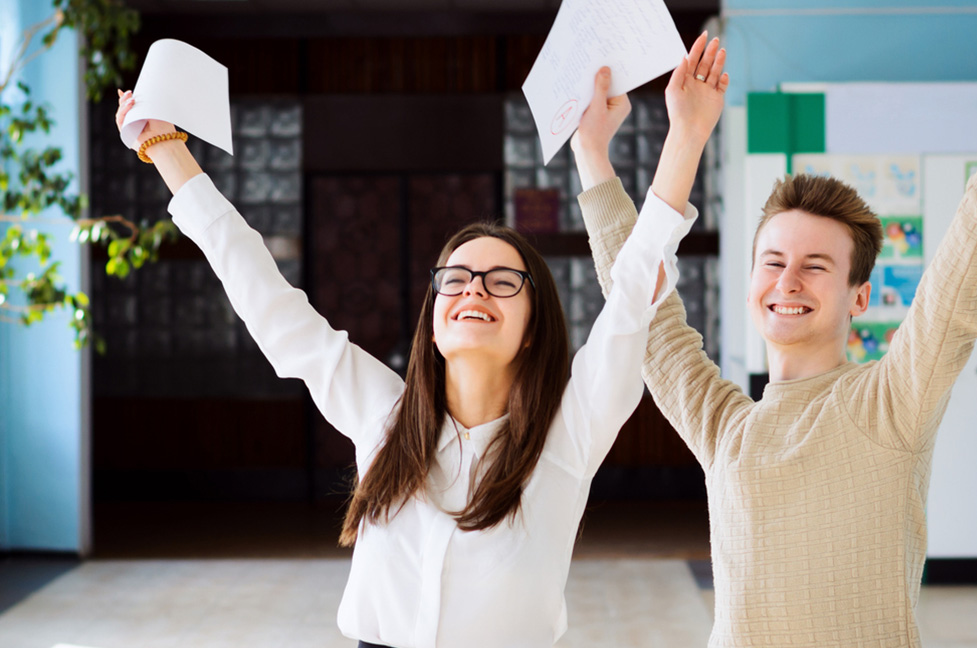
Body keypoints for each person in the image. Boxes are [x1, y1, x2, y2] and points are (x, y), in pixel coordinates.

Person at [111, 40, 716, 646]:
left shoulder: (570, 431)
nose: (473, 291)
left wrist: (685, 137)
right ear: (433, 320)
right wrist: (165, 146)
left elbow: (636, 288)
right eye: (455, 280)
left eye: (502, 282)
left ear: (534, 325)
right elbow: (266, 299)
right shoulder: (384, 415)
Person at [573, 28, 977, 646]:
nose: (788, 281)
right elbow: (642, 313)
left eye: (816, 266)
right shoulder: (727, 427)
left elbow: (954, 293)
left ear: (860, 296)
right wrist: (592, 153)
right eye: (773, 261)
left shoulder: (889, 405)